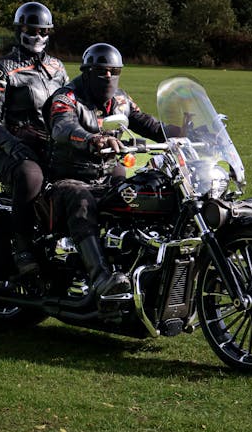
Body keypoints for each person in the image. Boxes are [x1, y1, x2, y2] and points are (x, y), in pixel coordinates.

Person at [46, 42, 179, 299]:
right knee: (81, 200)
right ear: (87, 71)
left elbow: (147, 124)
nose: (108, 76)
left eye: (114, 71)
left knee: (147, 191)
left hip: (107, 176)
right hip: (69, 178)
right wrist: (92, 139)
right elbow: (62, 128)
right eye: (102, 71)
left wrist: (182, 131)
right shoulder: (66, 98)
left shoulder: (121, 100)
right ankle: (101, 278)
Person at [0, 1, 69, 279]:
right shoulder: (3, 68)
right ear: (20, 30)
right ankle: (21, 246)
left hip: (51, 145)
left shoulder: (57, 67)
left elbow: (70, 107)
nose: (38, 36)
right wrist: (13, 145)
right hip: (14, 148)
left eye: (44, 31)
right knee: (31, 177)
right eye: (32, 30)